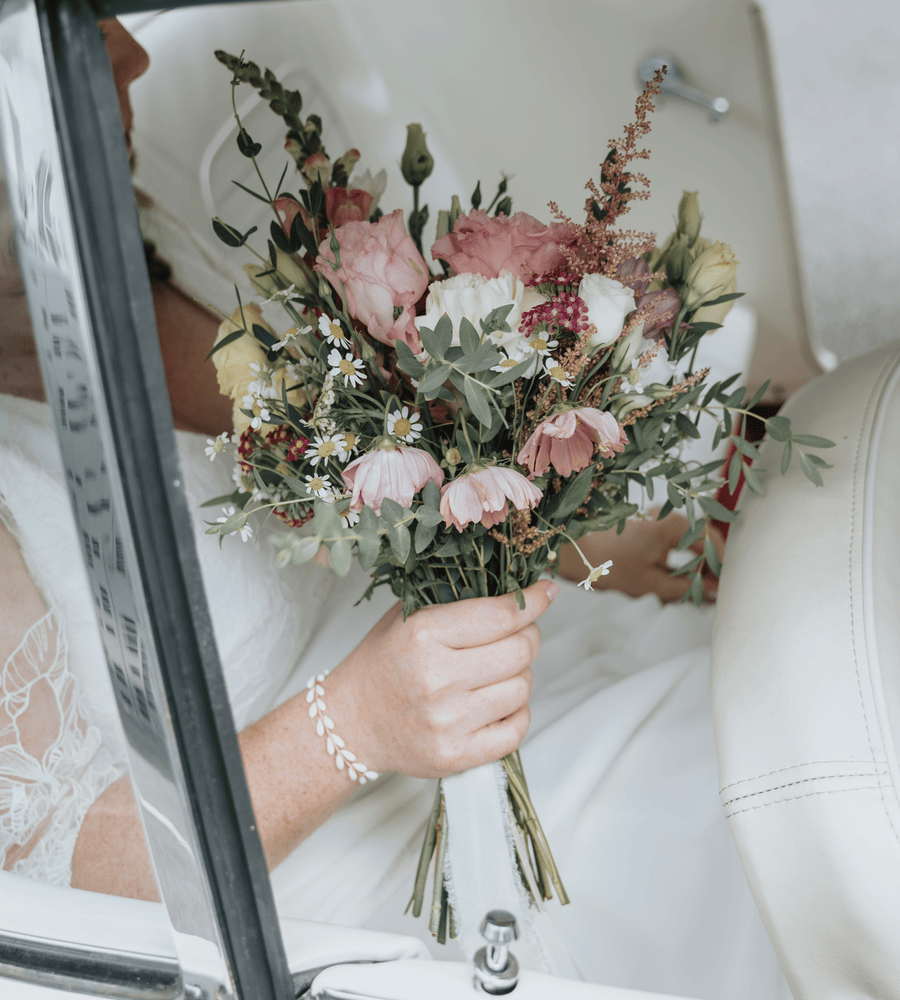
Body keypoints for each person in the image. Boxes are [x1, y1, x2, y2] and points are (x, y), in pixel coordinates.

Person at [0, 18, 786, 1000]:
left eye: (102, 15)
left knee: (788, 686)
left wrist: (617, 547)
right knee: (753, 831)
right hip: (315, 868)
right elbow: (49, 889)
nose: (129, 53)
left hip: (517, 669)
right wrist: (357, 722)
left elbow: (405, 477)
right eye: (44, 25)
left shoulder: (124, 248)